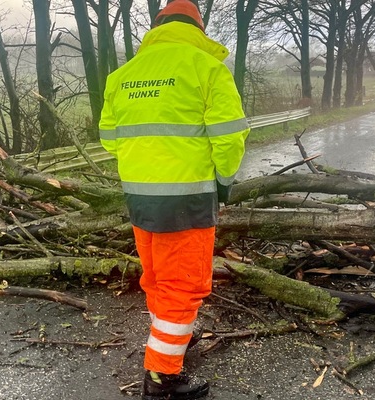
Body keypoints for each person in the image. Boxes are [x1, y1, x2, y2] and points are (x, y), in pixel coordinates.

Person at [98, 0, 249, 398]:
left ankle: (172, 341)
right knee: (184, 285)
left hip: (139, 197)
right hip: (187, 199)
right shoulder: (208, 69)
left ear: (158, 26)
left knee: (157, 280)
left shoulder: (122, 76)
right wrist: (222, 183)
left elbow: (110, 140)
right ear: (197, 29)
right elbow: (230, 137)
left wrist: (148, 167)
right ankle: (163, 375)